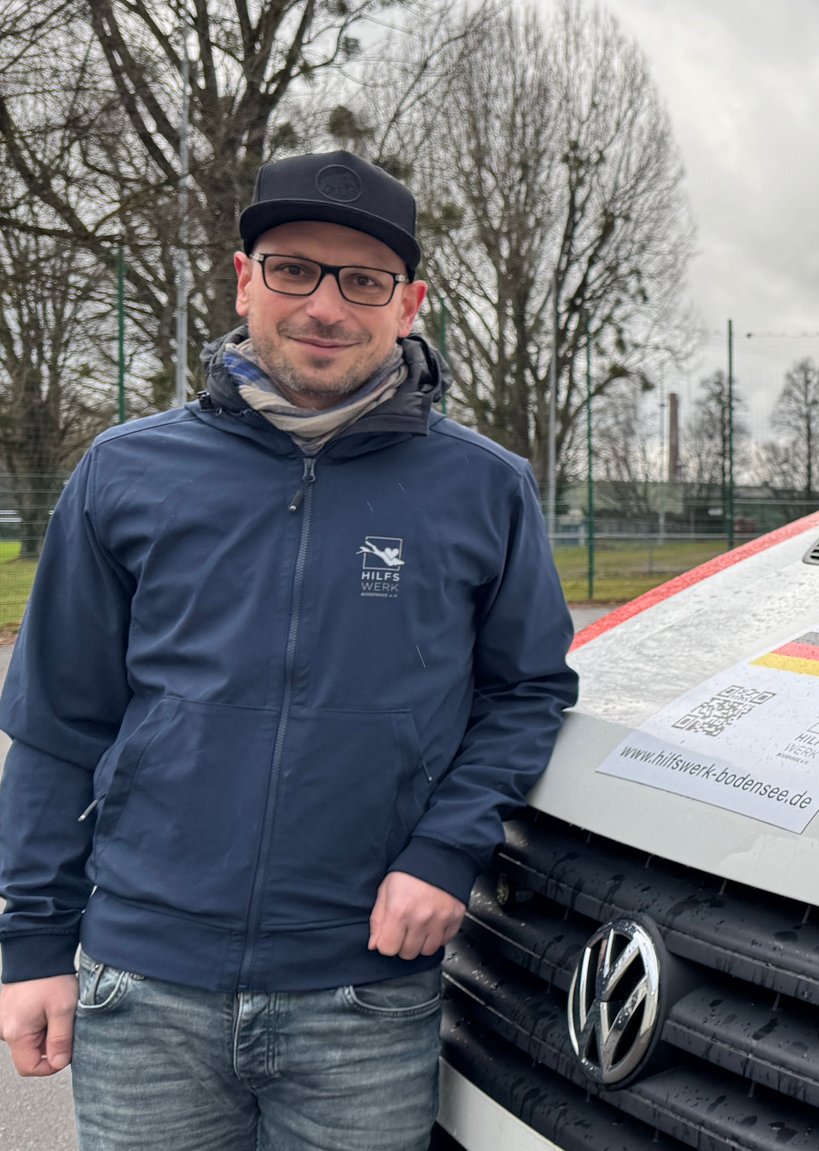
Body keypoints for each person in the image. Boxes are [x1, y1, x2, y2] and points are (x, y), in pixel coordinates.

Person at [0, 150, 578, 1150]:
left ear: (408, 303)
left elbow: (526, 688)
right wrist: (32, 942)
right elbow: (57, 723)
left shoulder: (485, 488)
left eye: (362, 279)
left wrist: (445, 851)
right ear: (243, 280)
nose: (325, 304)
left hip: (363, 998)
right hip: (144, 989)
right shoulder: (126, 471)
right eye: (294, 268)